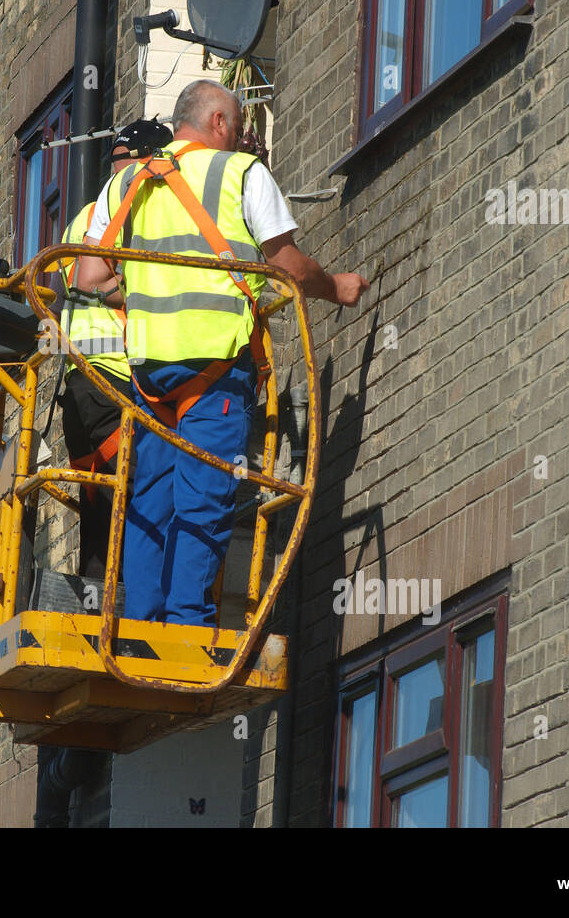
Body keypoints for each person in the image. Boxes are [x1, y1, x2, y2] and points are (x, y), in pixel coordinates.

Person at [76, 79, 368, 625]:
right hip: (214, 371)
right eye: (237, 126)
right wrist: (336, 287)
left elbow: (89, 275)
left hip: (148, 378)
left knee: (148, 503)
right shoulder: (239, 174)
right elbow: (287, 266)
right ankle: (187, 630)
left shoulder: (125, 185)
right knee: (206, 496)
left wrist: (145, 291)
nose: (240, 138)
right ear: (217, 123)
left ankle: (140, 628)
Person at [57, 119, 173, 579]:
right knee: (145, 496)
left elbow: (79, 284)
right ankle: (137, 614)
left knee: (101, 514)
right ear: (150, 160)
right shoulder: (135, 207)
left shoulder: (85, 218)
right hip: (115, 382)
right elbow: (111, 287)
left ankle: (96, 612)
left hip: (79, 392)